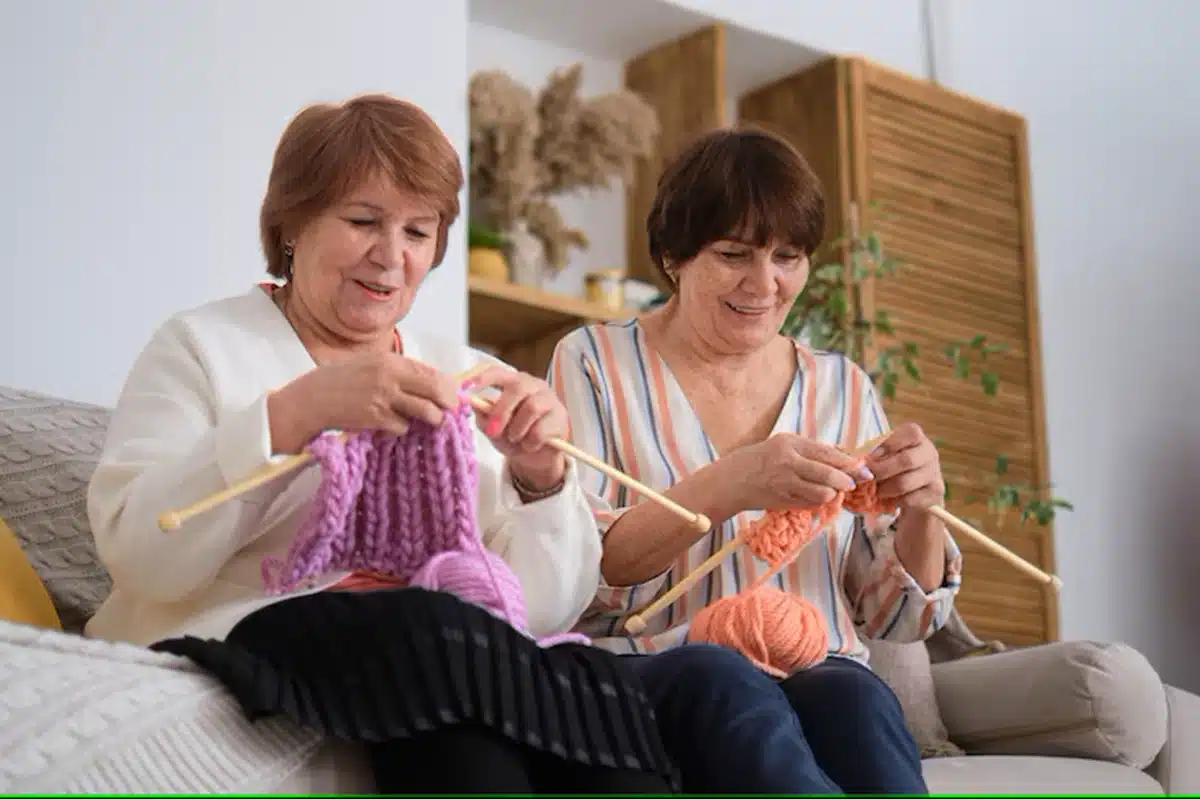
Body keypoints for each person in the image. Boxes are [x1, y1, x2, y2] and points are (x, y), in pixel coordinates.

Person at [83, 93, 678, 795]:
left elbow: (545, 611)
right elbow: (143, 555)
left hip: (441, 655)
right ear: (292, 224)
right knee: (436, 638)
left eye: (418, 232)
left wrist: (542, 479)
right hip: (258, 630)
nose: (391, 256)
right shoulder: (200, 345)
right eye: (363, 221)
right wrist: (295, 414)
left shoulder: (467, 376)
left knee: (592, 682)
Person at [547, 127, 964, 794]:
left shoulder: (842, 387)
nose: (764, 283)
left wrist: (924, 507)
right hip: (657, 663)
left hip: (818, 665)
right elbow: (585, 576)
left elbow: (897, 618)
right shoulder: (595, 361)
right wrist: (733, 482)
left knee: (857, 700)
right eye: (733, 254)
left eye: (788, 257)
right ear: (673, 256)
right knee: (726, 679)